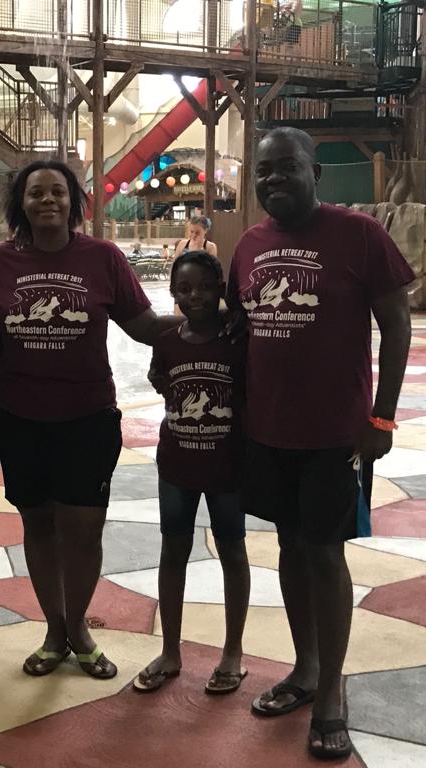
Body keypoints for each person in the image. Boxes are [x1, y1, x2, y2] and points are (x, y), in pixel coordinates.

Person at [228, 127, 413, 759]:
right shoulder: (249, 245)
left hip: (336, 434)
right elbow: (238, 330)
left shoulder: (359, 234)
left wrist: (382, 419)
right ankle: (304, 669)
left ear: (316, 174)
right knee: (289, 545)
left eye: (287, 167)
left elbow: (396, 325)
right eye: (263, 171)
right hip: (268, 431)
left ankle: (330, 691)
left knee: (325, 553)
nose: (274, 179)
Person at [0, 160, 179, 680]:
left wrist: (210, 322)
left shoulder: (103, 258)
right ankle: (54, 631)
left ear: (73, 202)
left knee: (84, 530)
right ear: (21, 203)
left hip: (86, 418)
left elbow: (144, 326)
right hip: (19, 418)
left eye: (58, 192)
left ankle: (79, 630)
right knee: (39, 525)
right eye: (36, 193)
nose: (48, 200)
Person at [134, 250, 250, 695]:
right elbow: (160, 379)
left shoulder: (238, 339)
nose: (194, 296)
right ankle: (170, 651)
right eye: (184, 288)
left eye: (204, 287)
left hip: (227, 468)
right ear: (172, 293)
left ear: (220, 289)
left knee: (232, 551)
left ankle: (233, 652)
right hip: (177, 466)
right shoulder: (167, 340)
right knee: (173, 552)